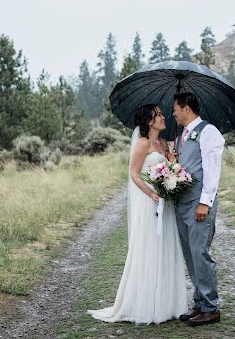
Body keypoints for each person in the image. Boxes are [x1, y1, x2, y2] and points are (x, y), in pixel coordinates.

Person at [87, 104, 188, 324]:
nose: (163, 117)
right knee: (150, 248)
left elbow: (169, 170)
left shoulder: (163, 143)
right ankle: (145, 305)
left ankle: (167, 303)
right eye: (159, 115)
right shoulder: (142, 143)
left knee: (167, 248)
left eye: (162, 114)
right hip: (150, 203)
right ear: (150, 121)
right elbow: (133, 173)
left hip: (166, 204)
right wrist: (152, 194)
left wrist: (172, 164)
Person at [173, 92, 224, 327]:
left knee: (201, 254)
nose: (173, 113)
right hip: (181, 204)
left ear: (186, 108)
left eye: (175, 108)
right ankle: (200, 304)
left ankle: (211, 308)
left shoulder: (208, 132)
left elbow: (212, 170)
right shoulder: (180, 136)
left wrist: (205, 202)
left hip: (198, 205)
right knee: (190, 255)